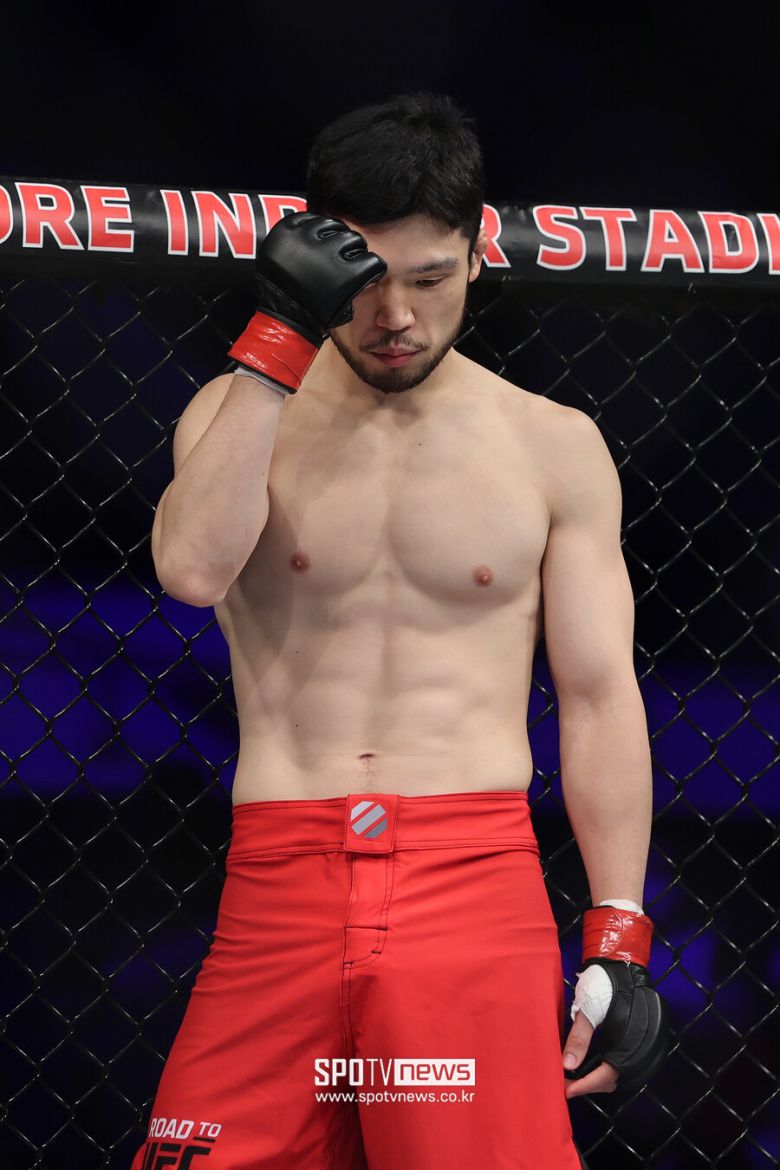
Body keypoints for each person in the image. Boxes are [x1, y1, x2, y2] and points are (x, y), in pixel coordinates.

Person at [134, 92, 669, 1170]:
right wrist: (278, 336)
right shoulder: (237, 417)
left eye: (430, 280)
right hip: (280, 878)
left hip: (472, 882)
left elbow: (600, 694)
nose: (396, 316)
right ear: (316, 259)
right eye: (367, 279)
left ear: (476, 257)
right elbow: (191, 571)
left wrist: (619, 931)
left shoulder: (551, 445)